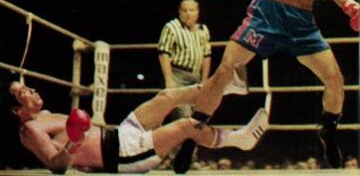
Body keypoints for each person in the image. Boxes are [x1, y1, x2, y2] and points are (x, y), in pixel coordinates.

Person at [173, 0, 360, 172]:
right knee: (224, 71)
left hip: (301, 21)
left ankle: (328, 130)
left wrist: (350, 5)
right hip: (264, 14)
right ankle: (191, 137)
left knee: (334, 78)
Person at [6, 80, 269, 173]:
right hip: (123, 156)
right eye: (23, 93)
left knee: (167, 96)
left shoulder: (48, 114)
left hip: (120, 135)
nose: (31, 90)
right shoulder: (30, 131)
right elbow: (56, 165)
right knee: (187, 125)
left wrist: (78, 133)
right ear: (17, 110)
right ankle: (240, 139)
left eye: (27, 86)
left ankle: (221, 87)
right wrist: (75, 138)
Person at [158, 0, 248, 120]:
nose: (188, 14)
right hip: (177, 74)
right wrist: (169, 79)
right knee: (183, 116)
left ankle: (187, 137)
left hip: (196, 75)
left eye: (191, 10)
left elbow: (207, 56)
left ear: (197, 12)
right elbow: (163, 53)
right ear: (179, 12)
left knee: (199, 114)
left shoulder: (203, 30)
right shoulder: (171, 27)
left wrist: (205, 80)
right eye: (184, 10)